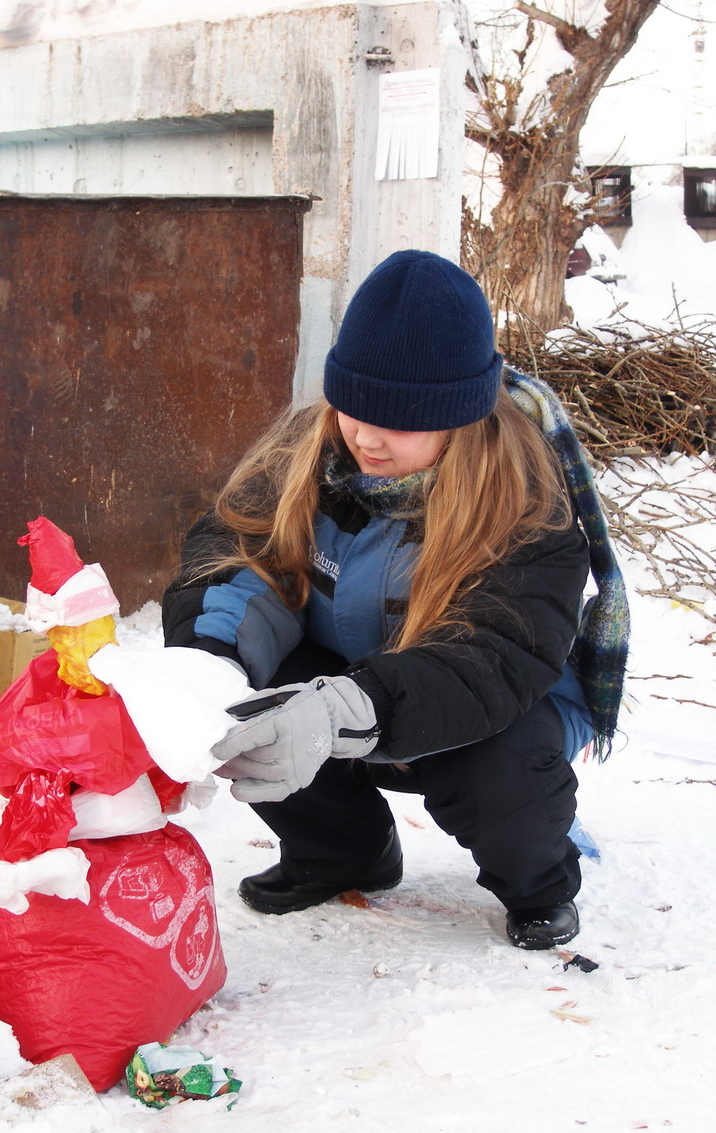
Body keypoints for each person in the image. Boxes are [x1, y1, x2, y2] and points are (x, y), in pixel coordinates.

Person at [162, 250, 629, 950]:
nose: (367, 437)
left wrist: (352, 705)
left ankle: (538, 882)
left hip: (490, 702)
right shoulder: (307, 453)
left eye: (402, 419)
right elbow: (242, 558)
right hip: (352, 678)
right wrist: (210, 663)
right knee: (263, 704)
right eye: (354, 407)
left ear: (460, 417)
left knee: (500, 771)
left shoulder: (528, 504)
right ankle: (345, 851)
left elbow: (493, 657)